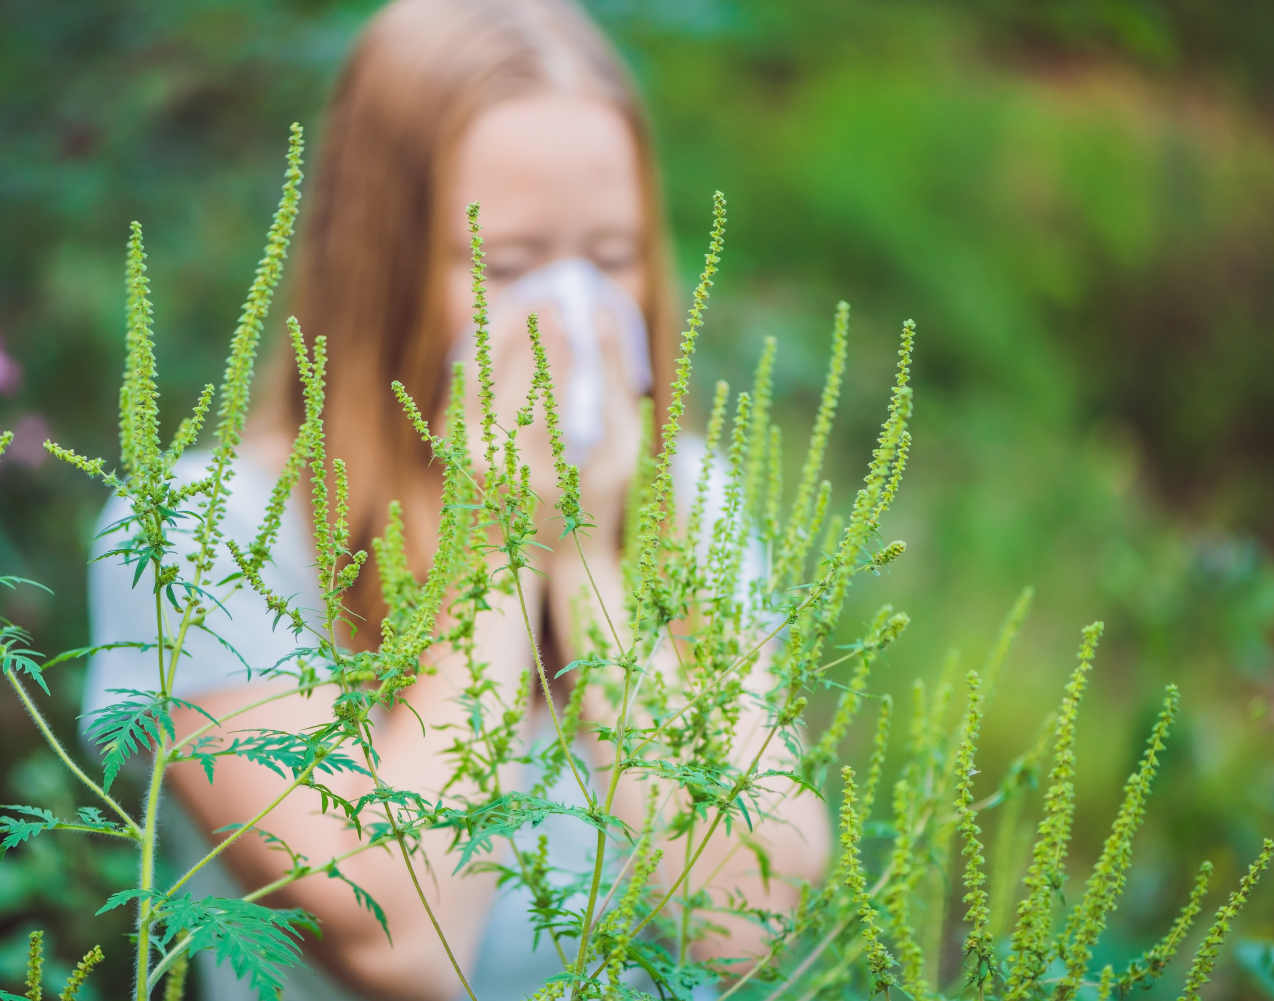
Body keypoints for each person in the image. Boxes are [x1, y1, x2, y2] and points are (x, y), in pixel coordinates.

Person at [83, 1, 829, 999]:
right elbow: (401, 940)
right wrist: (505, 542)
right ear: (378, 264)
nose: (568, 314)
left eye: (607, 259)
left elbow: (743, 924)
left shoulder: (697, 498)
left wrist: (591, 559)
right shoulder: (201, 535)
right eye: (509, 267)